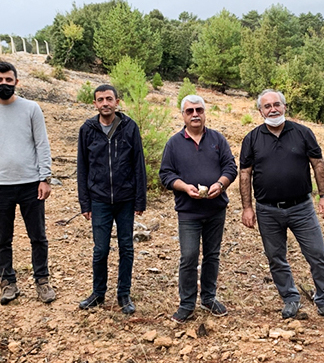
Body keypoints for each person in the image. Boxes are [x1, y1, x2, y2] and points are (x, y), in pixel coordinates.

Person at [240, 89, 324, 322]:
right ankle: (290, 298)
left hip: (301, 208)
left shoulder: (303, 133)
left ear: (285, 107)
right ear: (260, 111)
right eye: (267, 106)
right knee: (276, 257)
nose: (273, 109)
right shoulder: (251, 138)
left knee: (317, 254)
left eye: (277, 104)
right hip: (267, 209)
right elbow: (245, 174)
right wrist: (247, 207)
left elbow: (318, 164)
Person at [0, 61, 56, 305]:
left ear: (17, 82)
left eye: (9, 80)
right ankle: (8, 282)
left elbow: (42, 144)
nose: (4, 84)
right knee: (2, 238)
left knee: (38, 236)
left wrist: (45, 178)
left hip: (31, 184)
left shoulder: (31, 108)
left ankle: (42, 280)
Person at [159, 95, 237, 323]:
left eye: (199, 110)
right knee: (189, 256)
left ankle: (209, 298)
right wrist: (184, 187)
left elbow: (230, 166)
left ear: (204, 113)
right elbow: (165, 174)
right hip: (189, 211)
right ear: (183, 115)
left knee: (212, 255)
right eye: (190, 111)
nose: (195, 114)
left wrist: (221, 184)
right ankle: (186, 304)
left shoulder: (217, 139)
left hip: (215, 209)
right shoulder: (174, 143)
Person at [77, 84, 147, 314]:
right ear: (95, 104)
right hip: (99, 200)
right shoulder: (87, 129)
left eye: (109, 98)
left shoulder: (129, 127)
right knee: (100, 249)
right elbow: (82, 167)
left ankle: (123, 294)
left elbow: (138, 164)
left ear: (117, 101)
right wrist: (84, 203)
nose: (105, 103)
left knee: (126, 247)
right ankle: (98, 293)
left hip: (125, 198)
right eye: (100, 99)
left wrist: (140, 199)